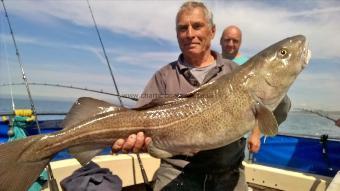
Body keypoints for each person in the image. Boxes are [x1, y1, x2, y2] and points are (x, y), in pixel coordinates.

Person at [112, 1, 290, 190]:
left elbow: (273, 115)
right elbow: (138, 119)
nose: (190, 34)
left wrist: (263, 122)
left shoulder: (234, 71)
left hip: (228, 173)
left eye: (197, 26)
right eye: (182, 28)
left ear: (212, 32)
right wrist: (137, 141)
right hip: (176, 171)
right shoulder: (163, 76)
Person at [220, 25, 261, 153]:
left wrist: (255, 134)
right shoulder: (212, 63)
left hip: (237, 136)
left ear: (240, 43)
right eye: (227, 40)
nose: (230, 44)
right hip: (214, 133)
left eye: (235, 41)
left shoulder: (250, 66)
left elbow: (260, 103)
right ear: (220, 41)